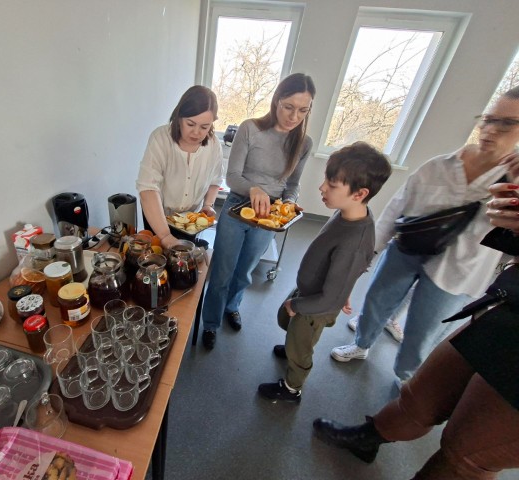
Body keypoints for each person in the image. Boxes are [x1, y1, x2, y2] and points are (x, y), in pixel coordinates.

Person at [312, 170, 519, 479]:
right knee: (421, 395)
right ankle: (368, 438)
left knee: (463, 455)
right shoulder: (449, 166)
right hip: (507, 314)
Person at [329, 86, 519, 383]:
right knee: (378, 300)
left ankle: (405, 380)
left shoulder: (515, 182)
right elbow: (396, 208)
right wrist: (366, 255)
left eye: (506, 123)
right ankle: (361, 344)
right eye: (489, 119)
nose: (492, 129)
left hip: (458, 271)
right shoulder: (439, 166)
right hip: (407, 250)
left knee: (423, 331)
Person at [257, 142, 392, 402]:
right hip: (313, 290)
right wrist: (345, 287)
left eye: (331, 185)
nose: (322, 188)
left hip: (318, 305)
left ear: (359, 193)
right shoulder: (347, 212)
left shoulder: (355, 241)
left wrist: (299, 304)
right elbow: (351, 269)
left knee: (301, 345)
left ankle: (292, 387)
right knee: (288, 324)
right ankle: (292, 345)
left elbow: (334, 293)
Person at [201, 73, 316, 350]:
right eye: (288, 107)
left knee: (245, 271)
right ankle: (211, 322)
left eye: (303, 110)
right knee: (222, 271)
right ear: (276, 101)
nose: (294, 116)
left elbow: (293, 184)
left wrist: (289, 202)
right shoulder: (250, 128)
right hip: (236, 207)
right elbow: (233, 176)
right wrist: (253, 189)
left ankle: (232, 306)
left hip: (268, 217)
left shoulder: (304, 142)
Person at [136, 85, 225, 249]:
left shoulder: (213, 145)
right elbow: (148, 188)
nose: (196, 132)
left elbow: (215, 180)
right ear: (179, 117)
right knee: (157, 254)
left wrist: (208, 205)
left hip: (190, 219)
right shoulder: (160, 138)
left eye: (204, 127)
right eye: (190, 124)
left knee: (184, 255)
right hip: (158, 215)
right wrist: (165, 236)